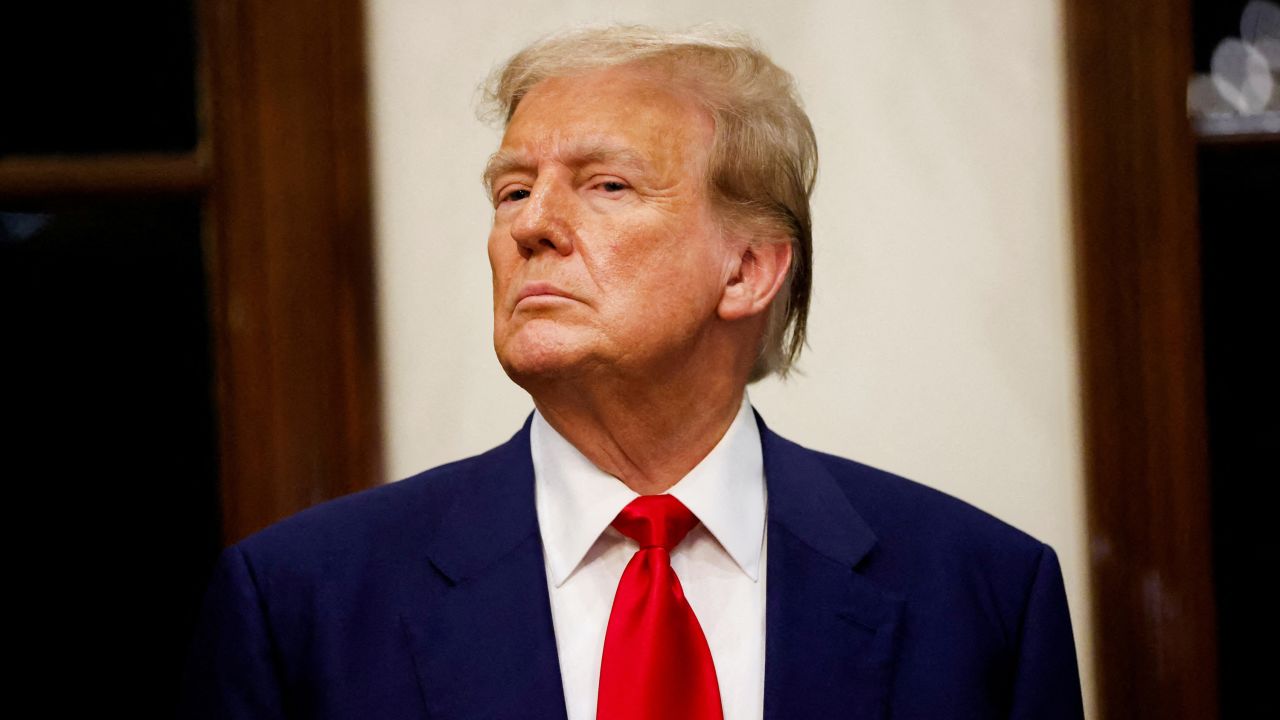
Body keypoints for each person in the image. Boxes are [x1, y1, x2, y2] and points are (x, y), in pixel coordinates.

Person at [180, 25, 1085, 720]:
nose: (532, 224)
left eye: (606, 185)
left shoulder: (981, 596)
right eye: (513, 190)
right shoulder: (301, 604)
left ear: (748, 269)